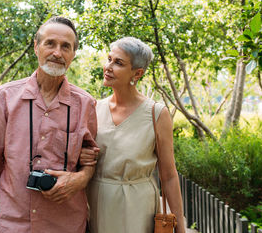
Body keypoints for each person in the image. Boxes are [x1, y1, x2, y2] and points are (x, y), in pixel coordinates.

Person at [0, 16, 97, 233]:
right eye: (50, 43)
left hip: (66, 224)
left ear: (73, 54)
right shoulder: (4, 97)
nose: (57, 52)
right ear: (36, 47)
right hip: (14, 223)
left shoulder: (85, 104)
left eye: (66, 46)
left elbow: (90, 161)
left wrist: (80, 178)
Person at [80, 37, 186, 233]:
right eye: (109, 59)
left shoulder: (156, 114)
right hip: (95, 202)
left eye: (118, 63)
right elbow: (82, 156)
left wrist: (180, 226)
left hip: (138, 206)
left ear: (137, 73)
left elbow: (169, 176)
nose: (108, 67)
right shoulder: (94, 108)